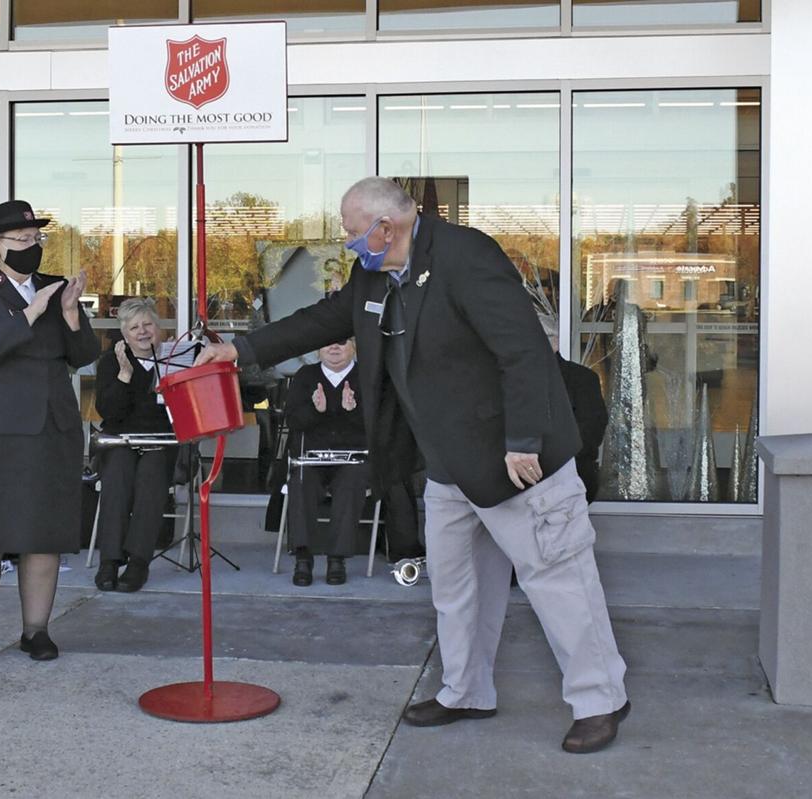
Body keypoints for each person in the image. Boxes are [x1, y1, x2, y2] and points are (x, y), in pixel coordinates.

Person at [196, 177, 630, 754]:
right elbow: (328, 317)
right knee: (457, 587)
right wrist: (243, 350)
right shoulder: (374, 271)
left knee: (558, 581)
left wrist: (523, 438)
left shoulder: (466, 256)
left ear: (387, 227)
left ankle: (601, 699)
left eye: (353, 233)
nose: (348, 243)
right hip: (448, 462)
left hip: (518, 458)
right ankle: (465, 690)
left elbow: (523, 349)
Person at [0, 199, 99, 667]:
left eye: (37, 240)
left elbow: (84, 354)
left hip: (49, 428)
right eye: (22, 241)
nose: (32, 247)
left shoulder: (55, 288)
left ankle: (37, 631)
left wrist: (70, 315)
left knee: (42, 536)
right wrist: (30, 313)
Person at [93, 298, 176, 593]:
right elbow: (109, 412)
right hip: (121, 440)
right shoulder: (111, 362)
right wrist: (125, 377)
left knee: (150, 482)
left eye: (147, 324)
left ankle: (139, 562)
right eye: (134, 327)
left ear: (159, 328)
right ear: (125, 334)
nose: (142, 332)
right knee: (116, 479)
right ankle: (110, 561)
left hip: (161, 441)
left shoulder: (175, 359)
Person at [283, 339, 370, 587]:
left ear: (354, 346)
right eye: (327, 343)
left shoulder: (366, 376)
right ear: (318, 349)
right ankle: (303, 558)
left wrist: (352, 409)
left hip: (353, 458)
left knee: (351, 482)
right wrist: (315, 410)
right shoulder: (305, 375)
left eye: (342, 343)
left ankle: (337, 559)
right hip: (312, 458)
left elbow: (378, 425)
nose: (334, 348)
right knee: (300, 481)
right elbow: (293, 421)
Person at [539, 314, 609, 503]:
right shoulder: (510, 379)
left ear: (554, 343)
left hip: (569, 475)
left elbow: (591, 430)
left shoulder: (582, 378)